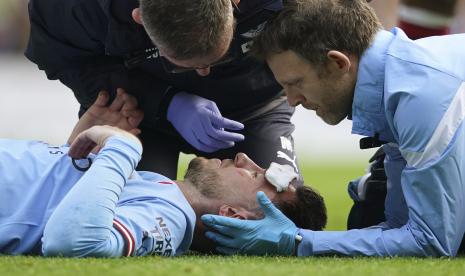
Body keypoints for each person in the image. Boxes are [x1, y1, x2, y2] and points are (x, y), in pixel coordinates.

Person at [202, 0, 465, 257]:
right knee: (370, 213)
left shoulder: (418, 97)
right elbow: (398, 225)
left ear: (338, 63)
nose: (292, 100)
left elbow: (431, 241)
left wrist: (296, 242)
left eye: (296, 83)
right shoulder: (397, 81)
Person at [0, 90, 327, 256]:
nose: (244, 158)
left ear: (234, 215)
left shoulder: (168, 215)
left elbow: (73, 242)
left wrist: (122, 149)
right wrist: (78, 148)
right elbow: (48, 205)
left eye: (257, 176)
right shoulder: (166, 196)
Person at [25, 0, 303, 182]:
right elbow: (65, 60)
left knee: (281, 213)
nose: (204, 72)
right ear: (139, 18)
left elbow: (325, 31)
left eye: (214, 59)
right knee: (129, 213)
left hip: (253, 108)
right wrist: (165, 102)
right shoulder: (74, 7)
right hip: (135, 115)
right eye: (186, 65)